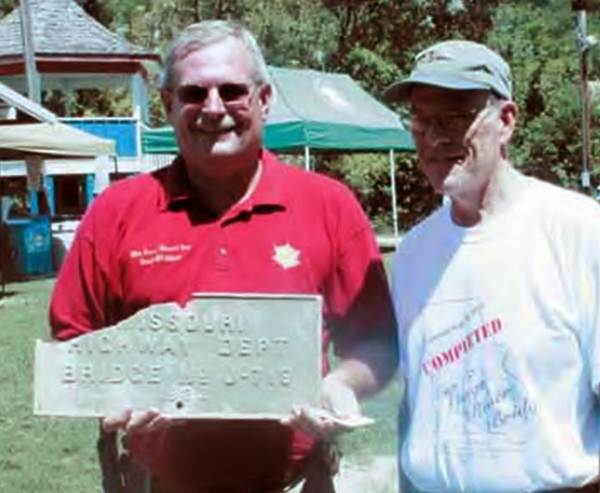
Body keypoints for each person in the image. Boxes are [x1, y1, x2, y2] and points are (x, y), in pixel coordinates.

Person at [49, 20, 398, 493]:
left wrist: (342, 385)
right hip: (155, 484)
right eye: (194, 94)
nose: (214, 110)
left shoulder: (329, 205)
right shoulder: (115, 212)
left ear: (264, 100)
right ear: (169, 104)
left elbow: (377, 341)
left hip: (296, 483)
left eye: (232, 91)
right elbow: (73, 338)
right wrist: (112, 394)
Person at [384, 40, 600, 493]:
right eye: (422, 120)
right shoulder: (413, 253)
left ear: (506, 121)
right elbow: (415, 405)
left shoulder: (579, 231)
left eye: (457, 117)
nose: (436, 137)